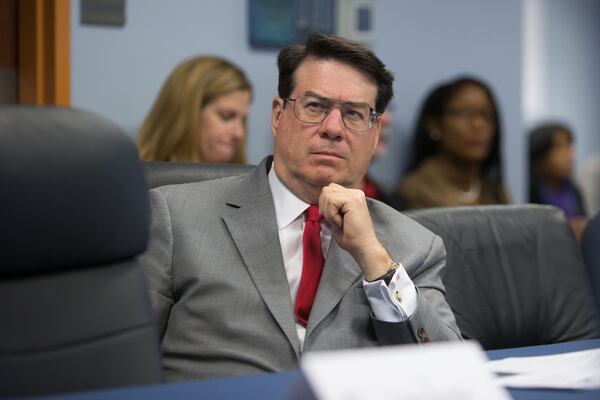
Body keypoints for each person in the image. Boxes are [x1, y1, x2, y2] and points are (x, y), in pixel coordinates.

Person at [140, 33, 461, 382]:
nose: (333, 129)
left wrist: (374, 260)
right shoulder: (176, 216)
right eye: (315, 107)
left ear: (374, 135)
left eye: (354, 114)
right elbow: (121, 360)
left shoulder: (413, 246)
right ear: (278, 116)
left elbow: (450, 376)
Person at [395, 76, 510, 208]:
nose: (479, 124)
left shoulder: (495, 189)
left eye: (487, 115)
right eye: (465, 113)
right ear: (434, 125)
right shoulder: (415, 191)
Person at [137, 56, 252, 163]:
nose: (239, 133)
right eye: (226, 116)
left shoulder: (252, 181)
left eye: (243, 120)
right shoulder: (133, 179)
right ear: (187, 113)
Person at [529, 122, 587, 239]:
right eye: (560, 146)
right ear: (541, 155)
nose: (570, 155)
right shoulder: (529, 193)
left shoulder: (573, 191)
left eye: (569, 146)